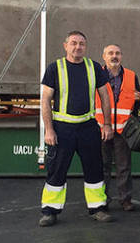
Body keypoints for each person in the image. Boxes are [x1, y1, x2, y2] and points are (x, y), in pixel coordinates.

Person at [39, 31, 114, 227]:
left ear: (85, 47)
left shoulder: (94, 67)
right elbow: (45, 100)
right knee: (57, 170)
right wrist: (49, 129)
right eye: (73, 43)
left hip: (88, 127)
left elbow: (105, 96)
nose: (77, 47)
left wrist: (107, 124)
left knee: (94, 169)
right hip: (62, 129)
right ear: (65, 46)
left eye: (81, 43)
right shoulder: (55, 68)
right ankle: (50, 211)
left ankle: (98, 208)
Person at [96, 44, 140, 212]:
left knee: (124, 167)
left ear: (121, 56)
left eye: (117, 53)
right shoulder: (96, 74)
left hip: (123, 130)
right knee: (102, 167)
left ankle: (125, 200)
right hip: (100, 128)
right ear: (104, 56)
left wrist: (139, 98)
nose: (114, 56)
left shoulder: (131, 75)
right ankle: (101, 200)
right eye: (110, 53)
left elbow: (137, 101)